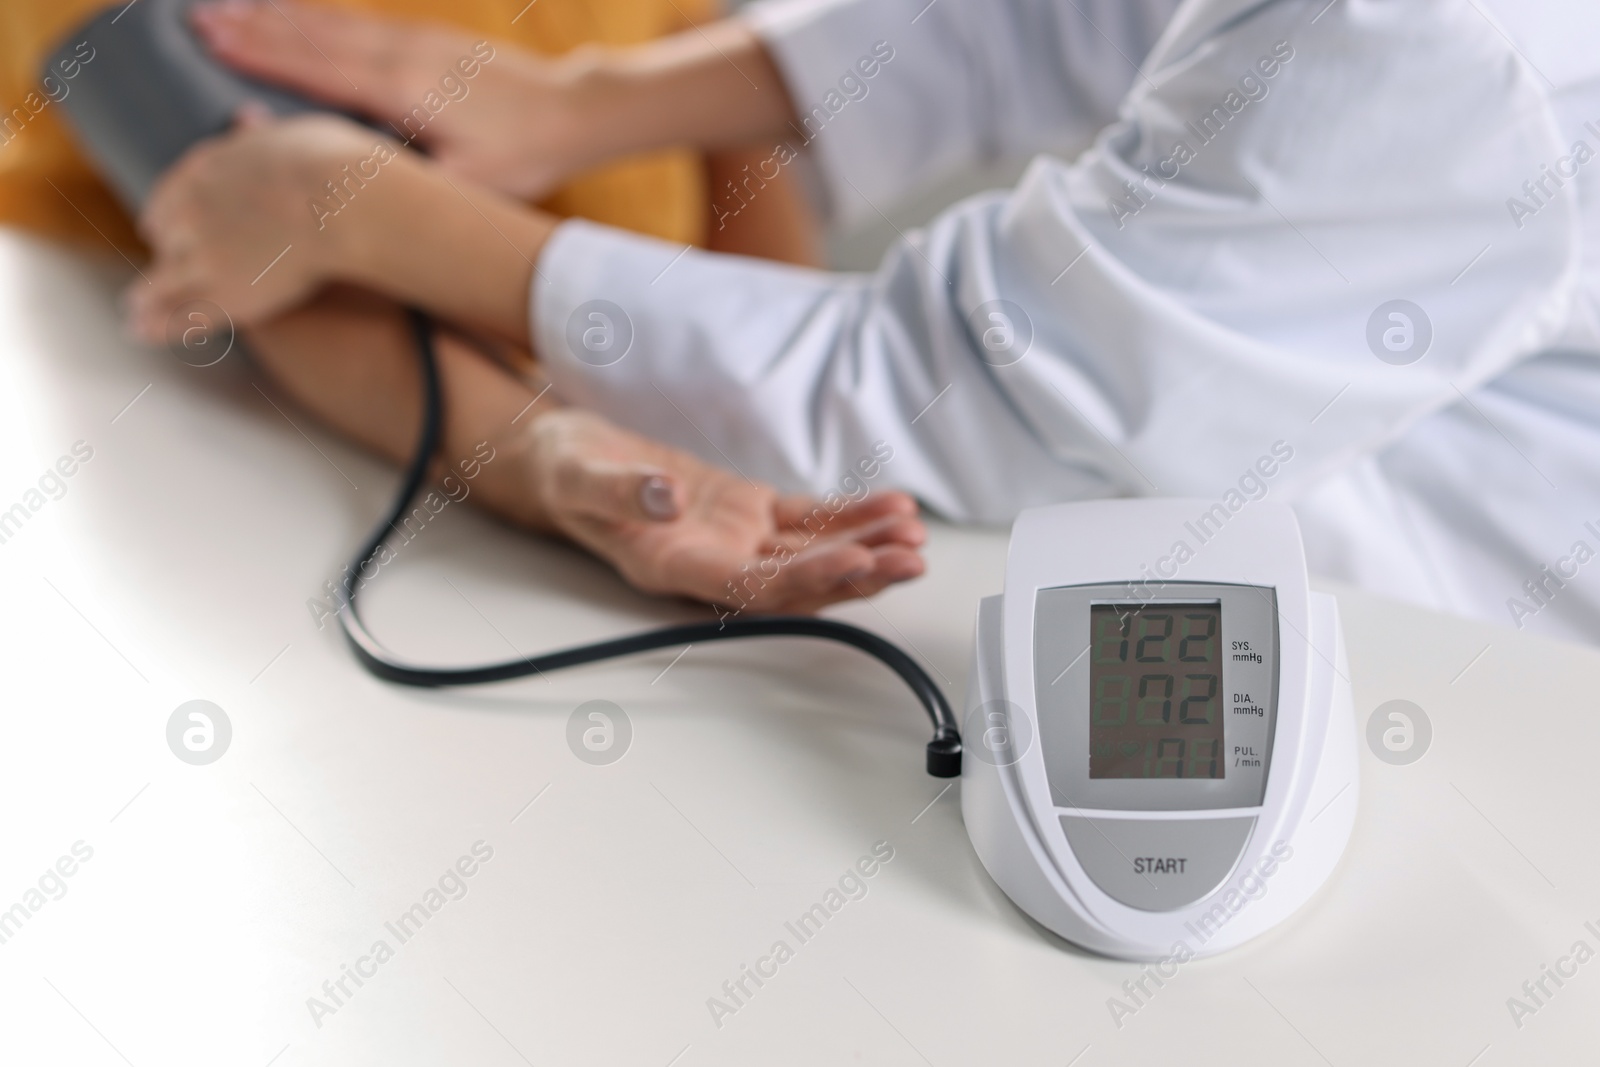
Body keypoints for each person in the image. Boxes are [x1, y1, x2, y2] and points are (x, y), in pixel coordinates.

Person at [130, 0, 1600, 642]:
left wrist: (382, 223)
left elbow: (947, 393)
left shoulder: (1452, 47)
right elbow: (1052, 21)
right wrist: (580, 112)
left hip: (1475, 592)